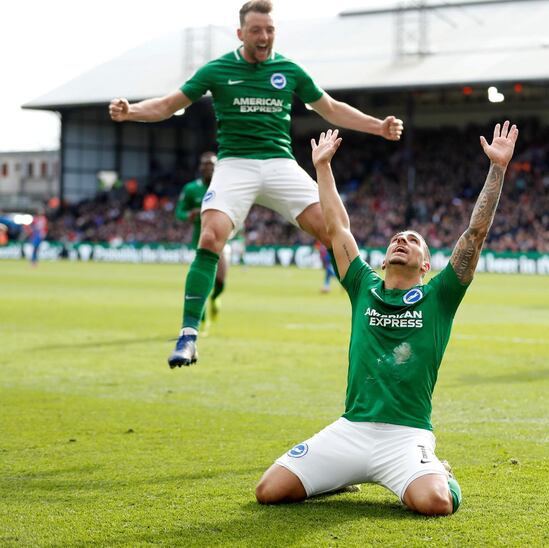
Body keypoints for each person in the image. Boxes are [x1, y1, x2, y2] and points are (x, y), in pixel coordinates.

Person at [108, 0, 404, 368]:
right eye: (256, 31)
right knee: (210, 236)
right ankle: (188, 335)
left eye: (269, 30)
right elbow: (169, 105)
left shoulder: (288, 70)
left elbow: (329, 107)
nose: (264, 37)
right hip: (235, 165)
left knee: (336, 231)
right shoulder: (218, 70)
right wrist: (131, 111)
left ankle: (375, 319)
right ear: (241, 34)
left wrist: (378, 125)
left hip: (280, 164)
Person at [255, 122, 518, 516]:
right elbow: (337, 227)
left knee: (436, 503)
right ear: (383, 257)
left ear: (426, 263)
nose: (402, 240)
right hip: (351, 429)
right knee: (269, 490)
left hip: (405, 435)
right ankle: (341, 476)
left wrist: (496, 169)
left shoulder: (441, 295)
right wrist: (322, 167)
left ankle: (439, 471)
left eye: (413, 240)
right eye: (398, 237)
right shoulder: (362, 284)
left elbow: (475, 233)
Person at [175, 152, 227, 334]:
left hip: (223, 238)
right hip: (199, 241)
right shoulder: (191, 189)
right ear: (200, 168)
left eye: (211, 165)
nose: (208, 168)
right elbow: (179, 212)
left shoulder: (225, 186)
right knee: (204, 279)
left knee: (221, 280)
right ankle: (200, 319)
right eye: (205, 165)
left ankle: (216, 298)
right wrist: (189, 215)